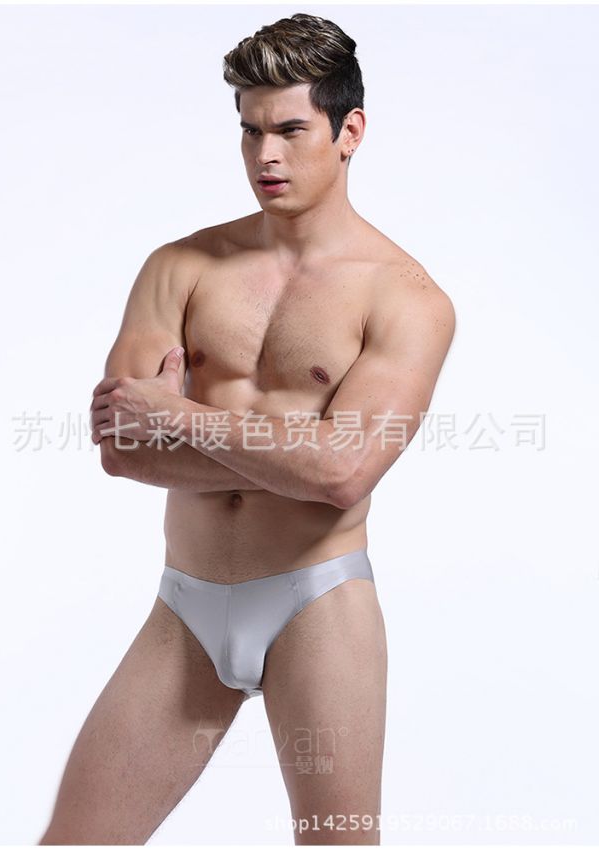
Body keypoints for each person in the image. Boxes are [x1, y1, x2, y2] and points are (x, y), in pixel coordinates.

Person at [39, 12, 455, 846]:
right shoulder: (181, 266)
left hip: (318, 602)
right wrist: (297, 455)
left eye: (290, 130)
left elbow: (344, 475)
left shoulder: (407, 298)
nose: (265, 155)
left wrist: (179, 417)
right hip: (186, 603)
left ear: (349, 132)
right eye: (249, 130)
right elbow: (121, 448)